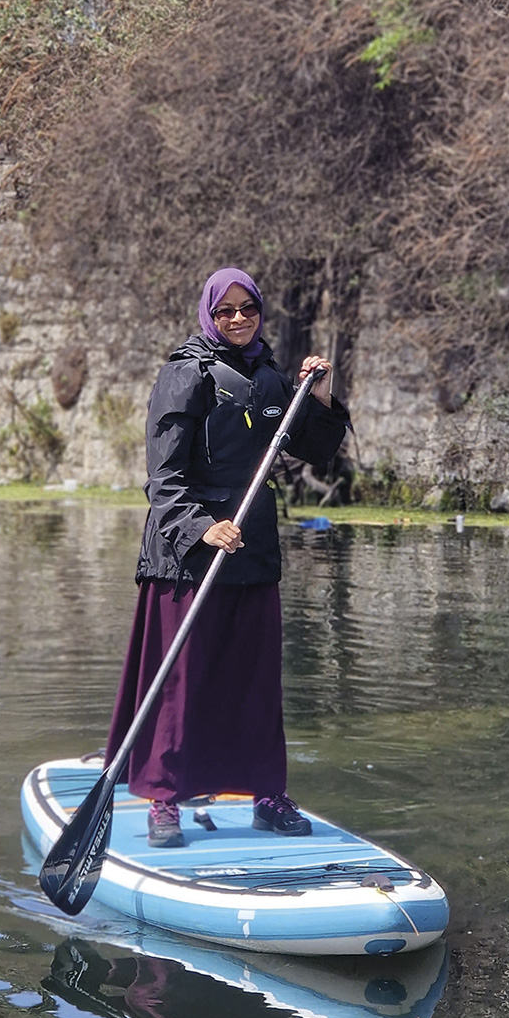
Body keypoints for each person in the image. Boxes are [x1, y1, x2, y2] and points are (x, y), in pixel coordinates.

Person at [104, 266, 350, 848]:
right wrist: (203, 528)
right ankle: (164, 800)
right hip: (186, 554)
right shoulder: (183, 374)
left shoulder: (270, 378)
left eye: (248, 309)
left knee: (256, 680)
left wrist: (319, 399)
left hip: (252, 546)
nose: (238, 319)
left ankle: (266, 794)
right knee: (180, 681)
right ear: (209, 314)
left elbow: (316, 449)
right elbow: (164, 480)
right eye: (225, 311)